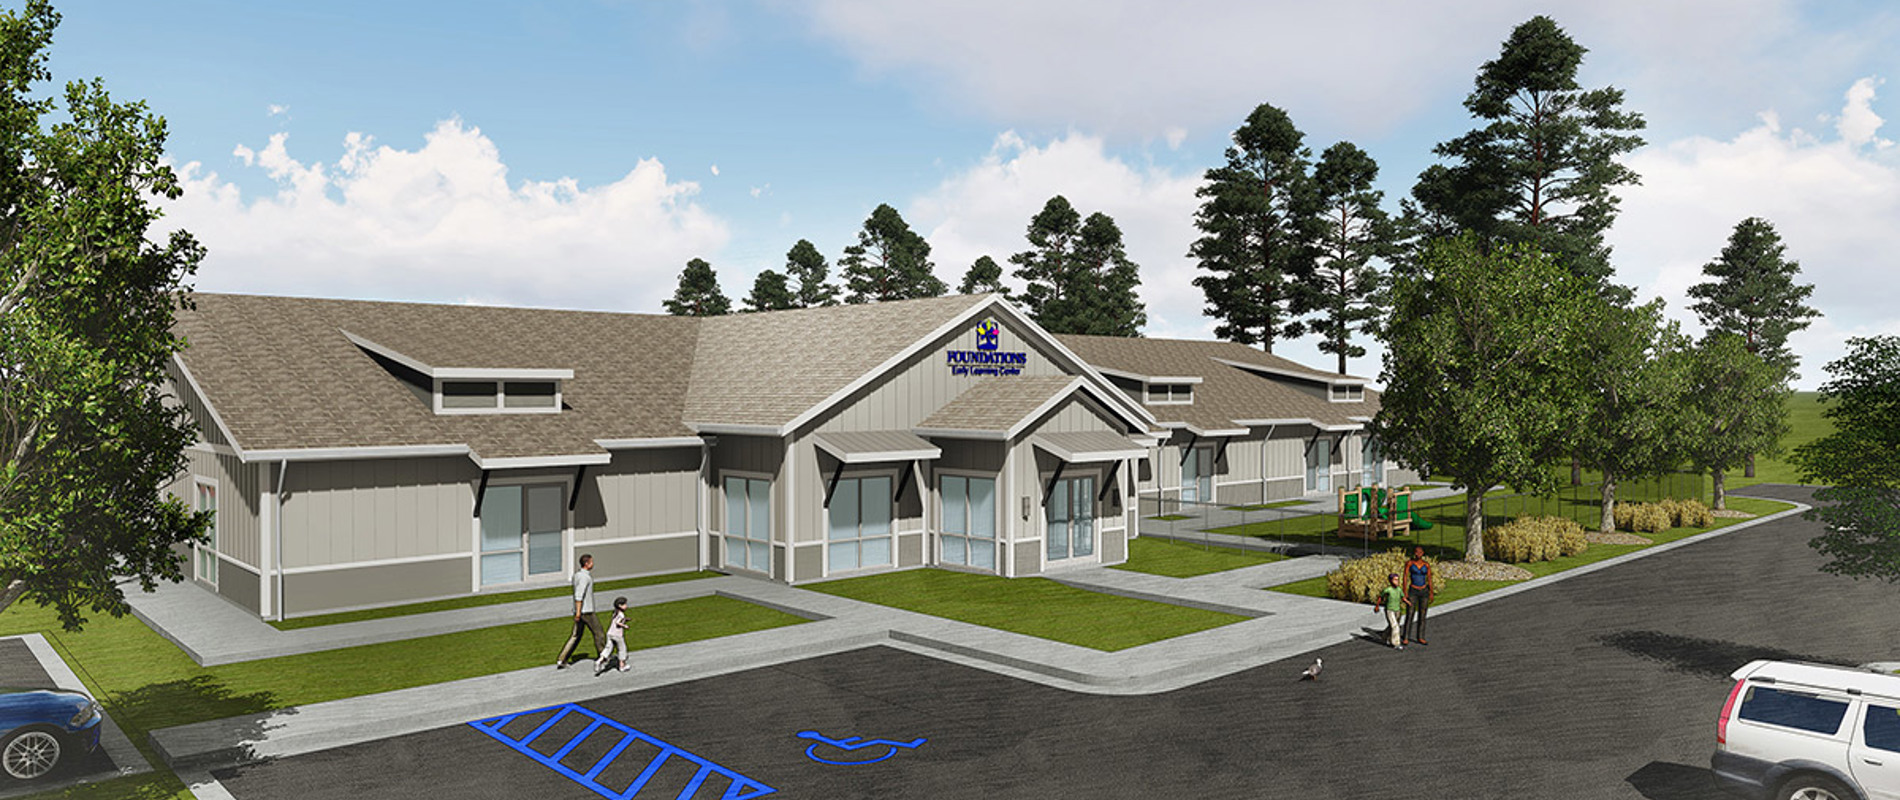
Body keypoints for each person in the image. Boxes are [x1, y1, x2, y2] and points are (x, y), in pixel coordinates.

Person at [556, 554, 603, 669]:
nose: (593, 564)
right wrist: (578, 613)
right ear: (586, 564)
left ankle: (562, 659)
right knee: (599, 633)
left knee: (576, 636)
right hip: (586, 612)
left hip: (580, 611)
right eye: (591, 562)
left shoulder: (577, 575)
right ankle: (603, 656)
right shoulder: (584, 578)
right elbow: (579, 595)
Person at [1402, 546, 1435, 646]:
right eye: (1416, 552)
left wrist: (1431, 592)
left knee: (1423, 614)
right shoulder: (1410, 563)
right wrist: (1405, 591)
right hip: (1413, 591)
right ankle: (1406, 637)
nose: (1418, 554)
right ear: (1414, 553)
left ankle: (1420, 637)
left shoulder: (1426, 565)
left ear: (1423, 553)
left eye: (1420, 552)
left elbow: (1429, 578)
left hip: (1424, 591)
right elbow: (1405, 577)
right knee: (1410, 613)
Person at [596, 596, 631, 675]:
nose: (626, 606)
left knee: (608, 648)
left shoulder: (615, 612)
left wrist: (626, 620)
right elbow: (618, 622)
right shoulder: (621, 614)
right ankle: (622, 666)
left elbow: (617, 620)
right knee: (622, 649)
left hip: (610, 633)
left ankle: (600, 660)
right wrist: (624, 626)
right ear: (620, 605)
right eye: (624, 604)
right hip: (617, 635)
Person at [1372, 573, 1407, 650]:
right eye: (1395, 580)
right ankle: (1396, 643)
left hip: (1397, 610)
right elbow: (1380, 597)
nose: (1397, 581)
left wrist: (1408, 603)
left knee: (1393, 625)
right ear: (1391, 581)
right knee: (1395, 626)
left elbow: (1403, 598)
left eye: (1398, 580)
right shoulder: (1388, 590)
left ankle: (1384, 636)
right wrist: (1377, 606)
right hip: (1389, 610)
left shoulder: (1399, 590)